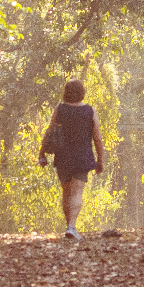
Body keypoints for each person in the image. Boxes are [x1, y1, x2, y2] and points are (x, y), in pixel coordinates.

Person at [39, 79, 104, 239]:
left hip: (63, 156)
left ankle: (70, 227)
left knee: (66, 192)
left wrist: (41, 153)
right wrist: (100, 159)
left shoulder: (60, 109)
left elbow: (49, 131)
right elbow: (97, 138)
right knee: (76, 192)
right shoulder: (89, 111)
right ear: (82, 92)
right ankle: (71, 226)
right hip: (82, 156)